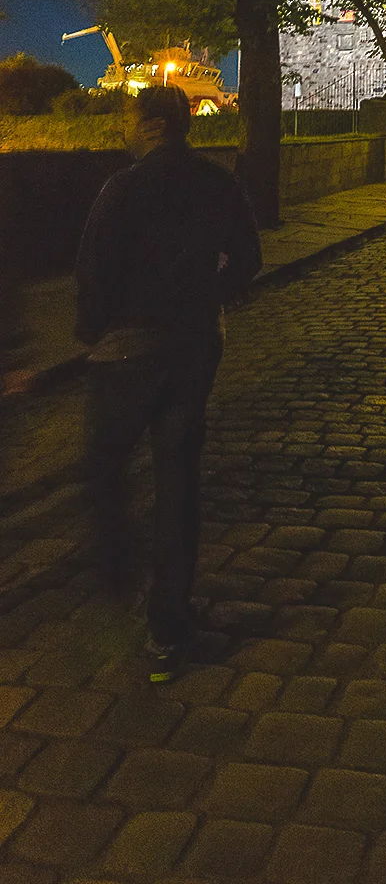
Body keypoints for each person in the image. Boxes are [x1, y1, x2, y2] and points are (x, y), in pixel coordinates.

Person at [75, 85, 261, 682]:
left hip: (127, 353)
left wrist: (89, 333)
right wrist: (209, 294)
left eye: (130, 120)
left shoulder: (121, 188)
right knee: (177, 482)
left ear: (151, 125)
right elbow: (249, 260)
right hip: (193, 348)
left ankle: (114, 577)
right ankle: (168, 625)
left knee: (104, 467)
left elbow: (94, 271)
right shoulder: (218, 184)